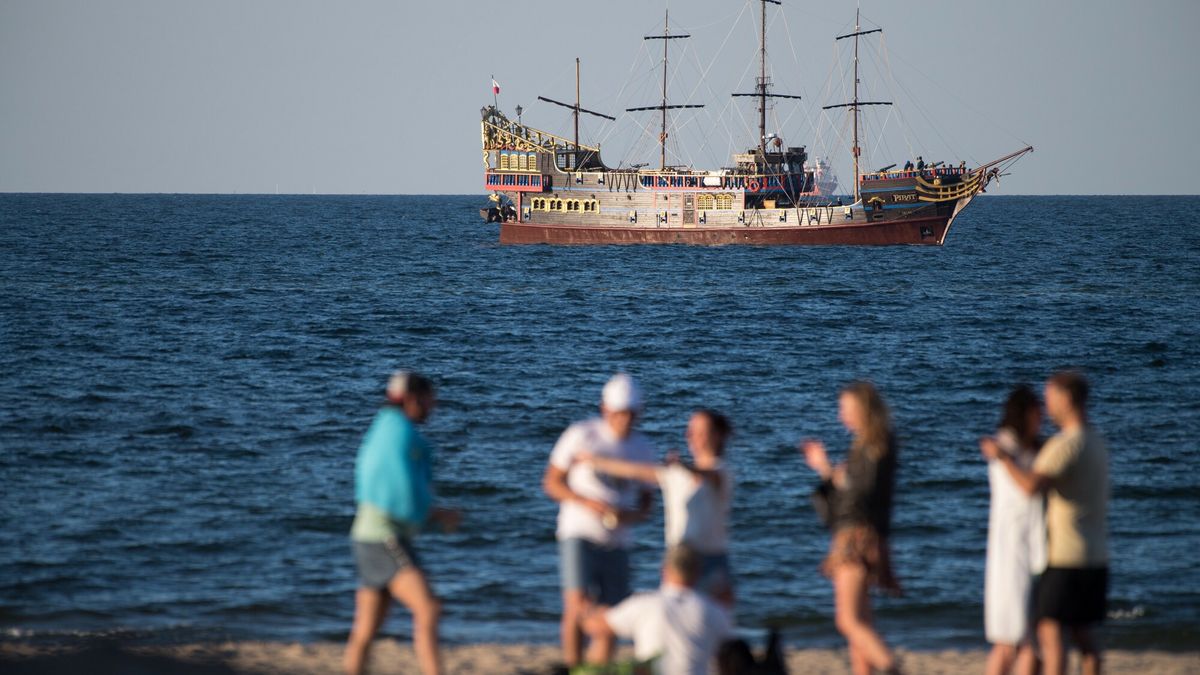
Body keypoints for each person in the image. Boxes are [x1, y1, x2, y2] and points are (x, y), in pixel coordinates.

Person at [982, 372, 1109, 675]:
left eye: (1050, 398)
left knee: (1047, 640)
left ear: (1065, 399)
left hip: (1062, 556)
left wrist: (1002, 456)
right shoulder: (1093, 442)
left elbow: (1029, 487)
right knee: (1073, 639)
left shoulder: (1061, 446)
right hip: (1089, 554)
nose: (1046, 407)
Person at [345, 371, 461, 675]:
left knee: (366, 629)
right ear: (413, 399)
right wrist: (436, 515)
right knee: (428, 608)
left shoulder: (382, 427)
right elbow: (403, 490)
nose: (433, 406)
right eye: (429, 399)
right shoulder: (401, 434)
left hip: (366, 533)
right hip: (385, 535)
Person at [544, 373, 656, 667]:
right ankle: (572, 665)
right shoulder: (582, 434)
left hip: (618, 539)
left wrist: (626, 516)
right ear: (605, 409)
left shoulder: (642, 447)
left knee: (611, 615)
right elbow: (552, 483)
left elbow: (647, 506)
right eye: (619, 414)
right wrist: (587, 503)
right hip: (578, 531)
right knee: (576, 605)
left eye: (631, 415)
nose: (625, 421)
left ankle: (596, 670)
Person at [580, 409, 736, 606]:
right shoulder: (675, 473)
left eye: (700, 432)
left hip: (711, 558)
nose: (691, 437)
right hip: (678, 558)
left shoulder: (721, 471)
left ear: (717, 435)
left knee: (715, 619)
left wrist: (683, 467)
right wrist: (595, 461)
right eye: (690, 431)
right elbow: (634, 471)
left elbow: (706, 475)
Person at [800, 381, 901, 675]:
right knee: (862, 623)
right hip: (864, 535)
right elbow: (872, 498)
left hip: (854, 537)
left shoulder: (870, 449)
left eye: (845, 408)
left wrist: (826, 469)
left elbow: (856, 497)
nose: (840, 415)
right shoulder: (876, 446)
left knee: (848, 621)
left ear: (862, 409)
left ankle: (890, 667)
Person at [582, 544, 734, 675]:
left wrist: (589, 608)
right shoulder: (714, 611)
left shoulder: (646, 604)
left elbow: (596, 626)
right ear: (697, 573)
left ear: (664, 570)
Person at [981, 386, 1047, 675]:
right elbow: (1027, 488)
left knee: (1018, 641)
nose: (1042, 417)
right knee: (1018, 641)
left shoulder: (1021, 447)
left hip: (1020, 548)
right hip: (1014, 551)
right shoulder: (1007, 448)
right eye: (1036, 412)